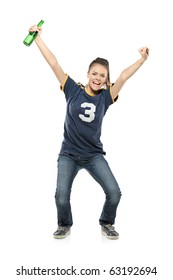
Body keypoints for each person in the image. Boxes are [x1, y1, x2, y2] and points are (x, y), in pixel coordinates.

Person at [28, 23, 149, 240]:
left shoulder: (106, 97)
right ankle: (64, 224)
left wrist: (141, 60)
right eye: (94, 73)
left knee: (114, 193)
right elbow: (54, 63)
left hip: (93, 155)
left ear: (105, 79)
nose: (98, 78)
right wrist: (37, 38)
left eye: (102, 75)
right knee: (61, 197)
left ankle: (107, 222)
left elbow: (122, 77)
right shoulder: (72, 89)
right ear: (88, 73)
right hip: (69, 155)